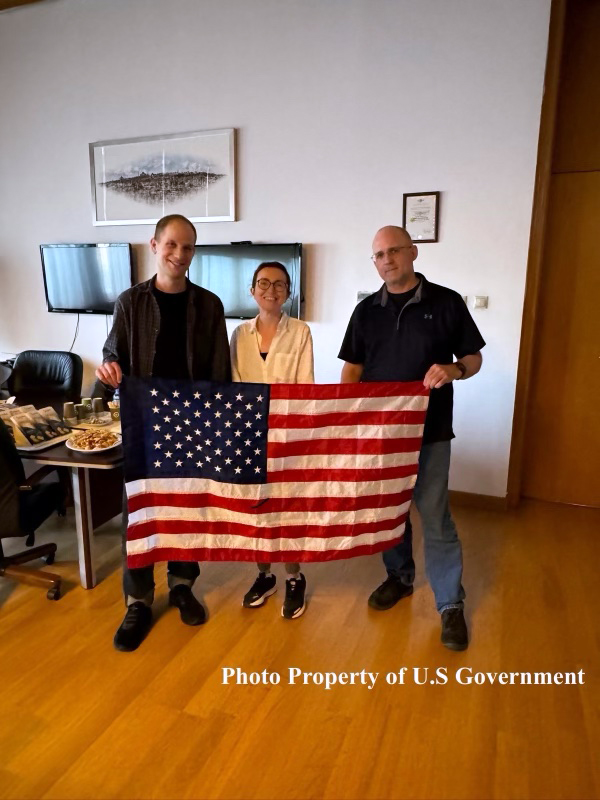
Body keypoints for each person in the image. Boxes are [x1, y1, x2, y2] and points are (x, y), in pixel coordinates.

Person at [338, 225, 485, 650]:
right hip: (381, 433)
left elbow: (472, 358)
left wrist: (454, 369)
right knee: (390, 512)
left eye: (394, 251)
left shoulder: (447, 302)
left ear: (413, 252)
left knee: (435, 515)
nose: (386, 260)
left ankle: (450, 604)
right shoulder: (366, 311)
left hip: (432, 430)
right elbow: (351, 369)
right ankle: (399, 578)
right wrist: (348, 418)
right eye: (378, 254)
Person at [96, 214, 231, 651]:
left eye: (188, 247)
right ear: (154, 245)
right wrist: (108, 370)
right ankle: (137, 600)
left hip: (192, 422)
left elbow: (219, 372)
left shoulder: (209, 305)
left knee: (185, 507)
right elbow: (112, 353)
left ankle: (182, 585)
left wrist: (218, 425)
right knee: (140, 513)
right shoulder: (129, 302)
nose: (179, 254)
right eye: (171, 245)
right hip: (143, 422)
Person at [230, 261, 314, 619]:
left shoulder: (301, 332)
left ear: (288, 293)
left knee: (288, 509)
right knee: (256, 508)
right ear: (252, 290)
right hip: (247, 435)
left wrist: (287, 428)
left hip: (287, 434)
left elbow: (305, 386)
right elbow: (233, 387)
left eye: (280, 284)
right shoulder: (238, 334)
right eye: (263, 283)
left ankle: (294, 576)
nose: (271, 290)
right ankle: (264, 575)